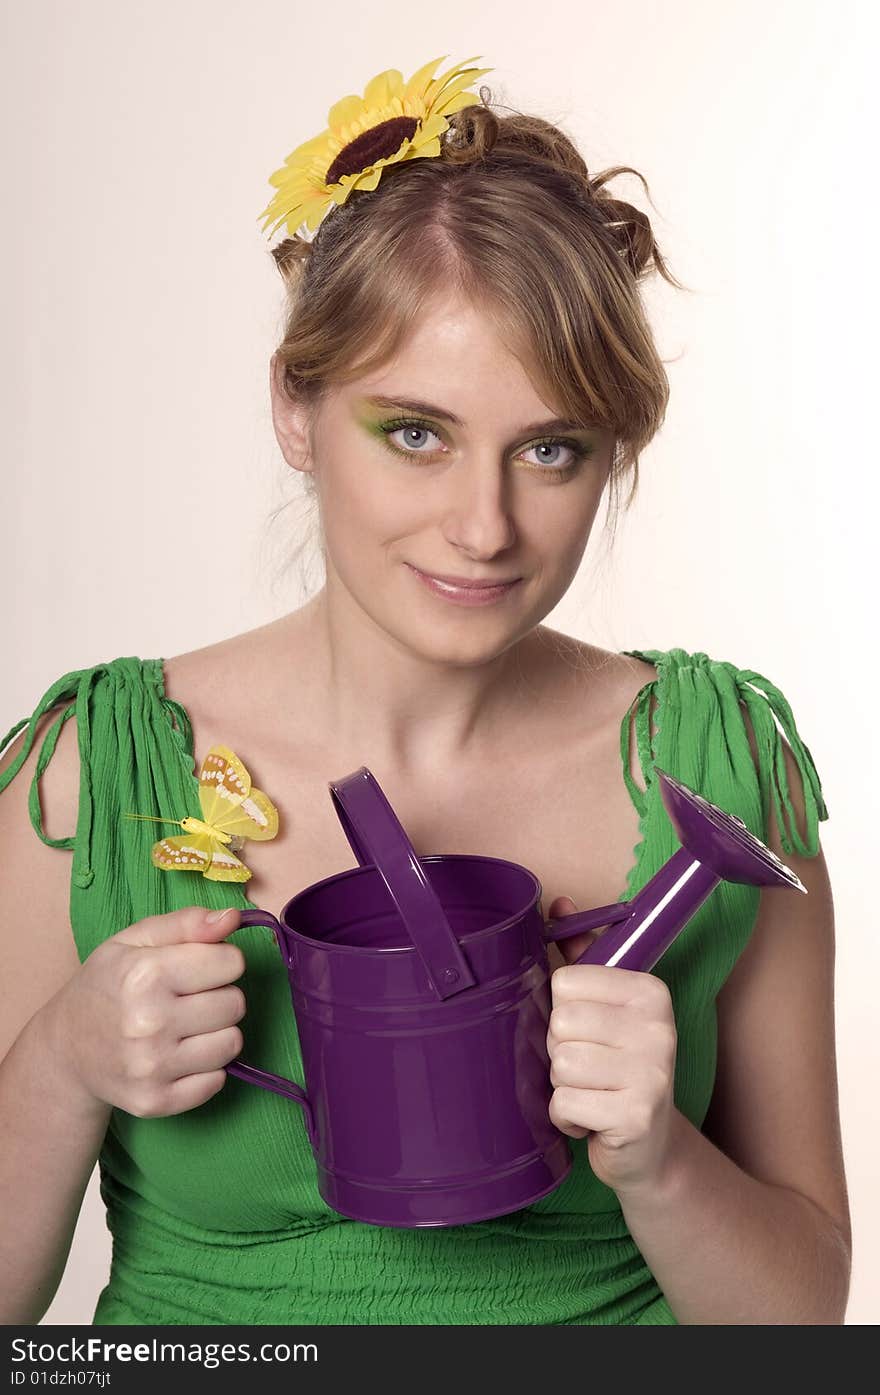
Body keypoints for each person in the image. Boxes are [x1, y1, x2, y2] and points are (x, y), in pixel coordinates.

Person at [0, 55, 851, 1326]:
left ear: (613, 453)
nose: (483, 527)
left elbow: (798, 1328)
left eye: (549, 450)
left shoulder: (719, 769)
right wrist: (62, 1064)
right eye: (415, 433)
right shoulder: (93, 775)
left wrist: (661, 1164)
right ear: (298, 408)